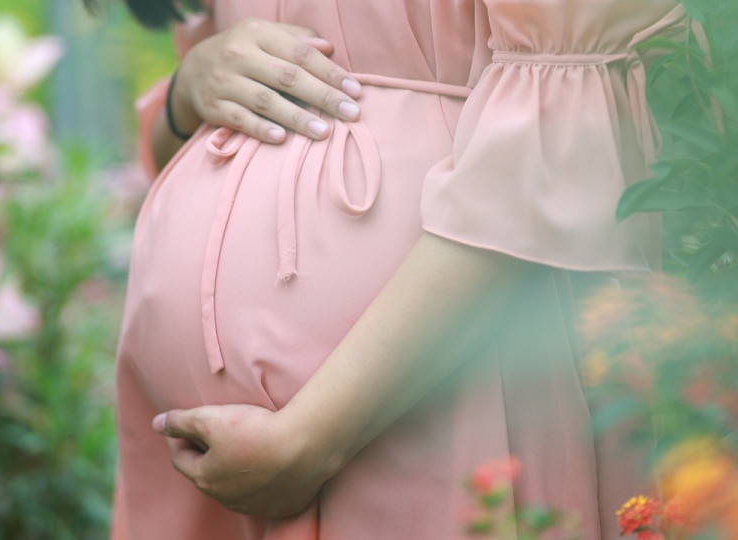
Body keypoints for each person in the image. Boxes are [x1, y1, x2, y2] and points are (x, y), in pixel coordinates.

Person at [108, 0, 686, 538]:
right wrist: (189, 86)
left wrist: (307, 442)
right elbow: (183, 146)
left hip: (445, 385)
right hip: (203, 480)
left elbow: (568, 139)